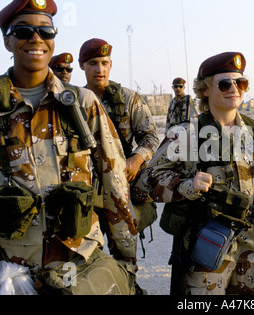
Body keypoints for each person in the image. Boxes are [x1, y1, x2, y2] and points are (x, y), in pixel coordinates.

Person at [140, 52, 254, 295]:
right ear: (205, 90)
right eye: (225, 83)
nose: (234, 89)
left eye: (240, 83)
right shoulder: (185, 134)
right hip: (206, 250)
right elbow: (146, 181)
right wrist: (186, 185)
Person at [0, 0, 137, 295]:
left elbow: (115, 186)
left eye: (46, 32)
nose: (36, 39)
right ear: (7, 41)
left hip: (77, 265)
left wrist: (127, 264)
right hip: (9, 271)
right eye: (23, 31)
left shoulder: (82, 104)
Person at [79, 38, 160, 249]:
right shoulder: (76, 102)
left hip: (120, 184)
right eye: (93, 63)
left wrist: (137, 158)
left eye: (104, 63)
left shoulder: (128, 98)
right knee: (88, 252)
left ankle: (129, 281)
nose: (100, 69)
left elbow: (150, 137)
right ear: (82, 66)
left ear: (111, 65)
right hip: (87, 188)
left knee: (125, 249)